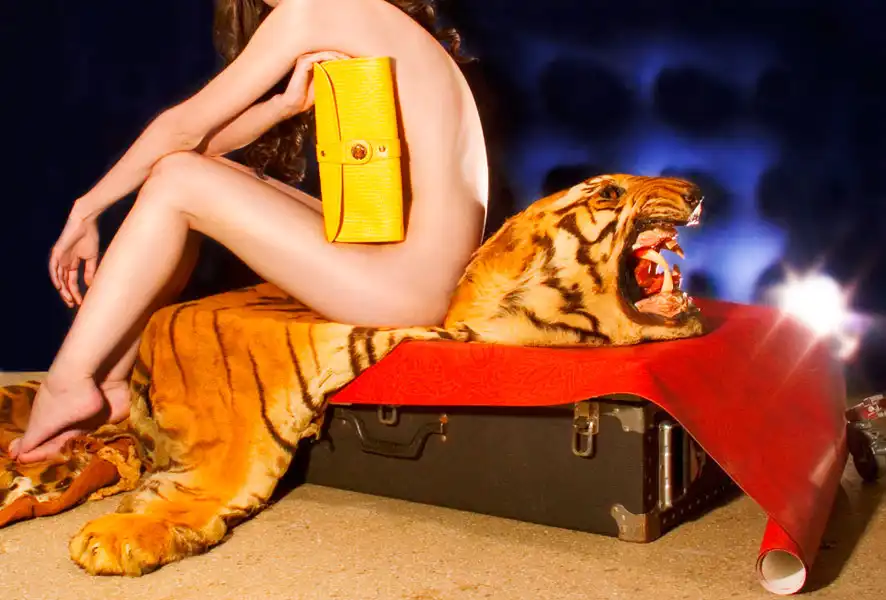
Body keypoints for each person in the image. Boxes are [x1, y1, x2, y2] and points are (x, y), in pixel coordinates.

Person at [10, 0, 489, 463]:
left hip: (409, 287)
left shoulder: (315, 8)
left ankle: (66, 383)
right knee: (181, 173)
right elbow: (194, 146)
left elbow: (179, 129)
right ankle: (110, 383)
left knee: (178, 180)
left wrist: (85, 210)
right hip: (417, 274)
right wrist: (283, 106)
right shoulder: (356, 10)